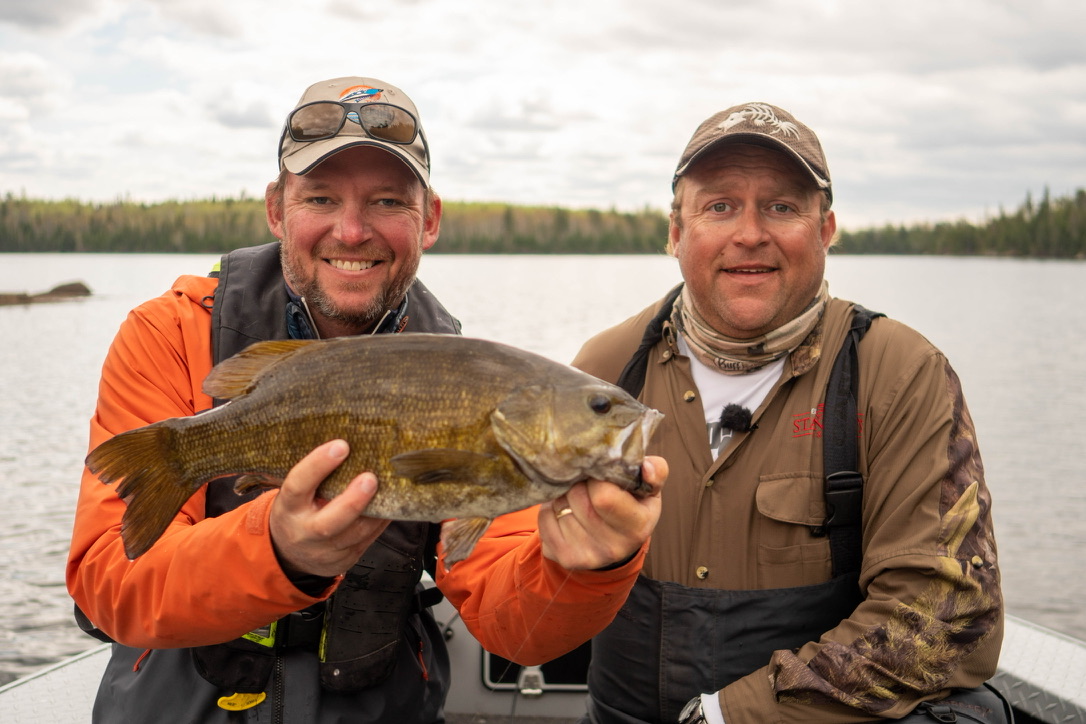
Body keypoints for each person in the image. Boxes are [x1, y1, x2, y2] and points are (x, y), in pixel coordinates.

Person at [66, 75, 665, 724]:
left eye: (386, 201)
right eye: (320, 197)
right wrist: (275, 548)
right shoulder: (170, 332)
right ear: (277, 209)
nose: (351, 232)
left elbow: (515, 627)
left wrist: (590, 564)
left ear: (428, 218)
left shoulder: (473, 374)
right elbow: (109, 582)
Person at [440, 102, 1003, 723]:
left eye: (783, 206)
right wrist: (577, 565)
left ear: (827, 229)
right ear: (677, 232)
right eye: (719, 205)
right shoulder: (606, 367)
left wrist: (730, 716)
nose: (750, 233)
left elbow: (947, 618)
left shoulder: (898, 373)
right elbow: (515, 615)